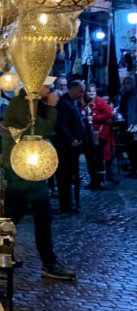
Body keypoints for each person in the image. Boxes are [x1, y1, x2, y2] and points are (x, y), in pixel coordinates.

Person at [1, 78, 75, 280]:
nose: (50, 89)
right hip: (23, 171)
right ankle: (45, 262)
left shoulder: (29, 103)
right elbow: (43, 130)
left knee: (19, 217)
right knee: (17, 217)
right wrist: (52, 107)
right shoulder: (23, 104)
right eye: (47, 86)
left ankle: (5, 254)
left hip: (28, 169)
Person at [53, 79, 85, 213]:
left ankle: (69, 203)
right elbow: (61, 125)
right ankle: (66, 205)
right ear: (72, 89)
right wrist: (71, 139)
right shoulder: (65, 104)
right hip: (65, 148)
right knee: (64, 177)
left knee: (68, 176)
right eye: (80, 91)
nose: (81, 94)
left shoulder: (71, 103)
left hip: (72, 147)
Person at [85, 84, 118, 185]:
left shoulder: (99, 101)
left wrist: (95, 118)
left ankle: (101, 181)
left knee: (99, 157)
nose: (91, 93)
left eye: (93, 91)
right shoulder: (86, 102)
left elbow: (110, 112)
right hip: (90, 133)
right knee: (92, 157)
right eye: (89, 91)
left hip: (100, 133)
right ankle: (94, 180)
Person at [118, 77, 137, 176]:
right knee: (130, 148)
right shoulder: (124, 94)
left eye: (129, 82)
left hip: (134, 126)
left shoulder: (135, 94)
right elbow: (122, 109)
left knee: (135, 148)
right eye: (126, 83)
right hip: (126, 125)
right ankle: (133, 169)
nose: (127, 85)